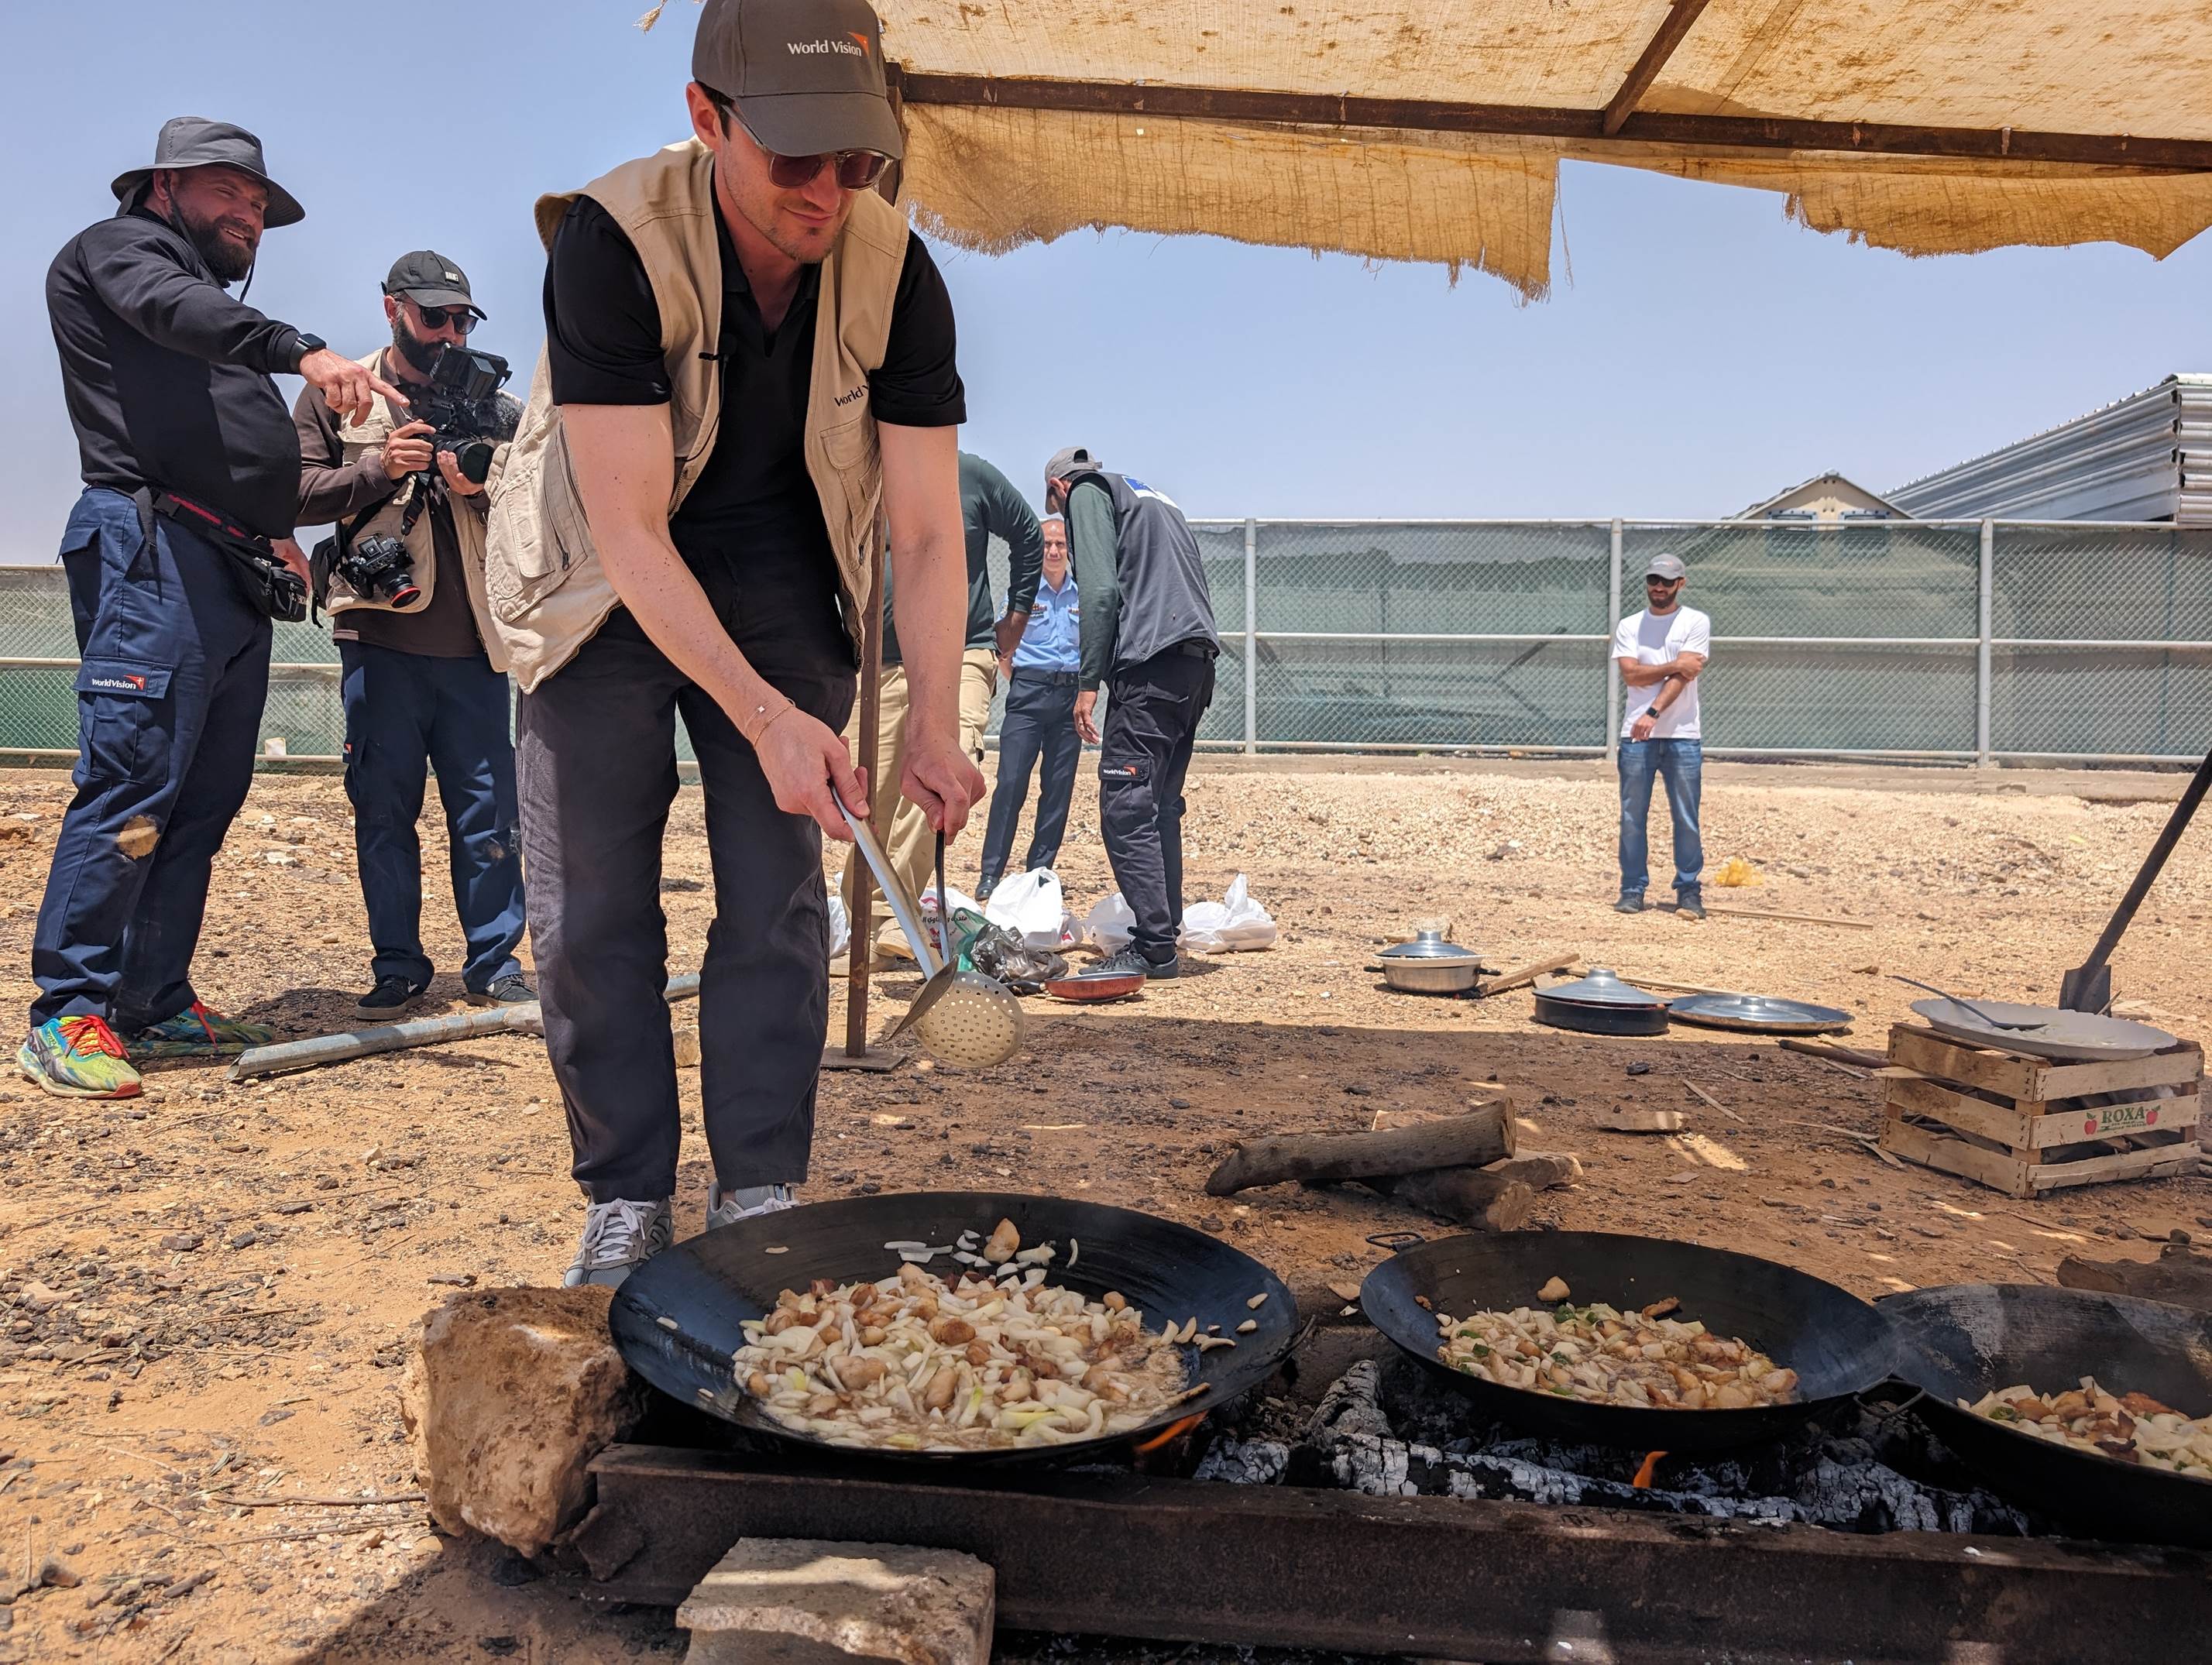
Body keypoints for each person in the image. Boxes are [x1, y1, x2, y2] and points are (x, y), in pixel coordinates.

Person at [486, 0, 984, 1289]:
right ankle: (628, 1193)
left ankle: (759, 1188)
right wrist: (764, 720)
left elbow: (928, 534)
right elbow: (632, 529)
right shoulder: (610, 241)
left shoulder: (898, 268)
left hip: (783, 572)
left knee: (776, 899)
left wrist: (933, 719)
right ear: (708, 120)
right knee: (591, 906)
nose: (831, 192)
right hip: (605, 574)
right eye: (796, 159)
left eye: (858, 160)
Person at [25, 118, 401, 1100]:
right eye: (229, 194)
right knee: (131, 781)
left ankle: (153, 999)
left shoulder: (206, 312)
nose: (251, 216)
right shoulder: (123, 257)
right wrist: (302, 348)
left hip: (226, 563)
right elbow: (172, 309)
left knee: (203, 795)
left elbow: (245, 455)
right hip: (149, 548)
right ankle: (67, 1011)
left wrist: (301, 508)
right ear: (163, 186)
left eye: (260, 206)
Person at [294, 252, 532, 1021]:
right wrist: (375, 471)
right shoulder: (338, 394)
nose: (451, 331)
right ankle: (397, 966)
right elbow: (289, 493)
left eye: (463, 318)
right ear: (393, 307)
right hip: (379, 642)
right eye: (436, 316)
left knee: (490, 817)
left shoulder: (498, 408)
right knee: (384, 812)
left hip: (477, 651)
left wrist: (487, 476)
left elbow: (552, 499)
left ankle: (494, 964)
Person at [841, 450, 1039, 950]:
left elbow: (1028, 534)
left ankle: (891, 915)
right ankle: (867, 921)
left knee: (947, 774)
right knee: (874, 800)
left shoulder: (966, 473)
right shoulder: (851, 479)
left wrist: (1015, 620)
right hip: (878, 664)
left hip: (963, 650)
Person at [1046, 447, 1220, 981]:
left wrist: (1088, 681)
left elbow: (1099, 592)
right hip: (1193, 665)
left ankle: (1153, 949)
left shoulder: (1089, 492)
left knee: (1125, 805)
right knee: (1159, 806)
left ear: (1058, 488)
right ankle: (1163, 934)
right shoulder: (1154, 498)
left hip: (1149, 668)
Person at [975, 514, 1081, 899]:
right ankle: (991, 873)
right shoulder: (1023, 592)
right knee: (1011, 784)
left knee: (1058, 788)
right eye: (1047, 545)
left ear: (1070, 551)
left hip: (1070, 699)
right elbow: (1003, 645)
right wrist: (1021, 680)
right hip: (1028, 696)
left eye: (1060, 545)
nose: (1053, 551)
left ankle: (1040, 872)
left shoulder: (1082, 595)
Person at [1612, 551, 1711, 918]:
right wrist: (1673, 665)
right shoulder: (1630, 625)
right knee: (1633, 815)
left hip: (1682, 735)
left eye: (1667, 582)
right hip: (1635, 737)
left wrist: (1653, 711)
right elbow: (1631, 676)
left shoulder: (1695, 622)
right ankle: (1632, 889)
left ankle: (1689, 891)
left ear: (1680, 584)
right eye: (1653, 580)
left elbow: (1687, 675)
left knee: (1686, 816)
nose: (1659, 587)